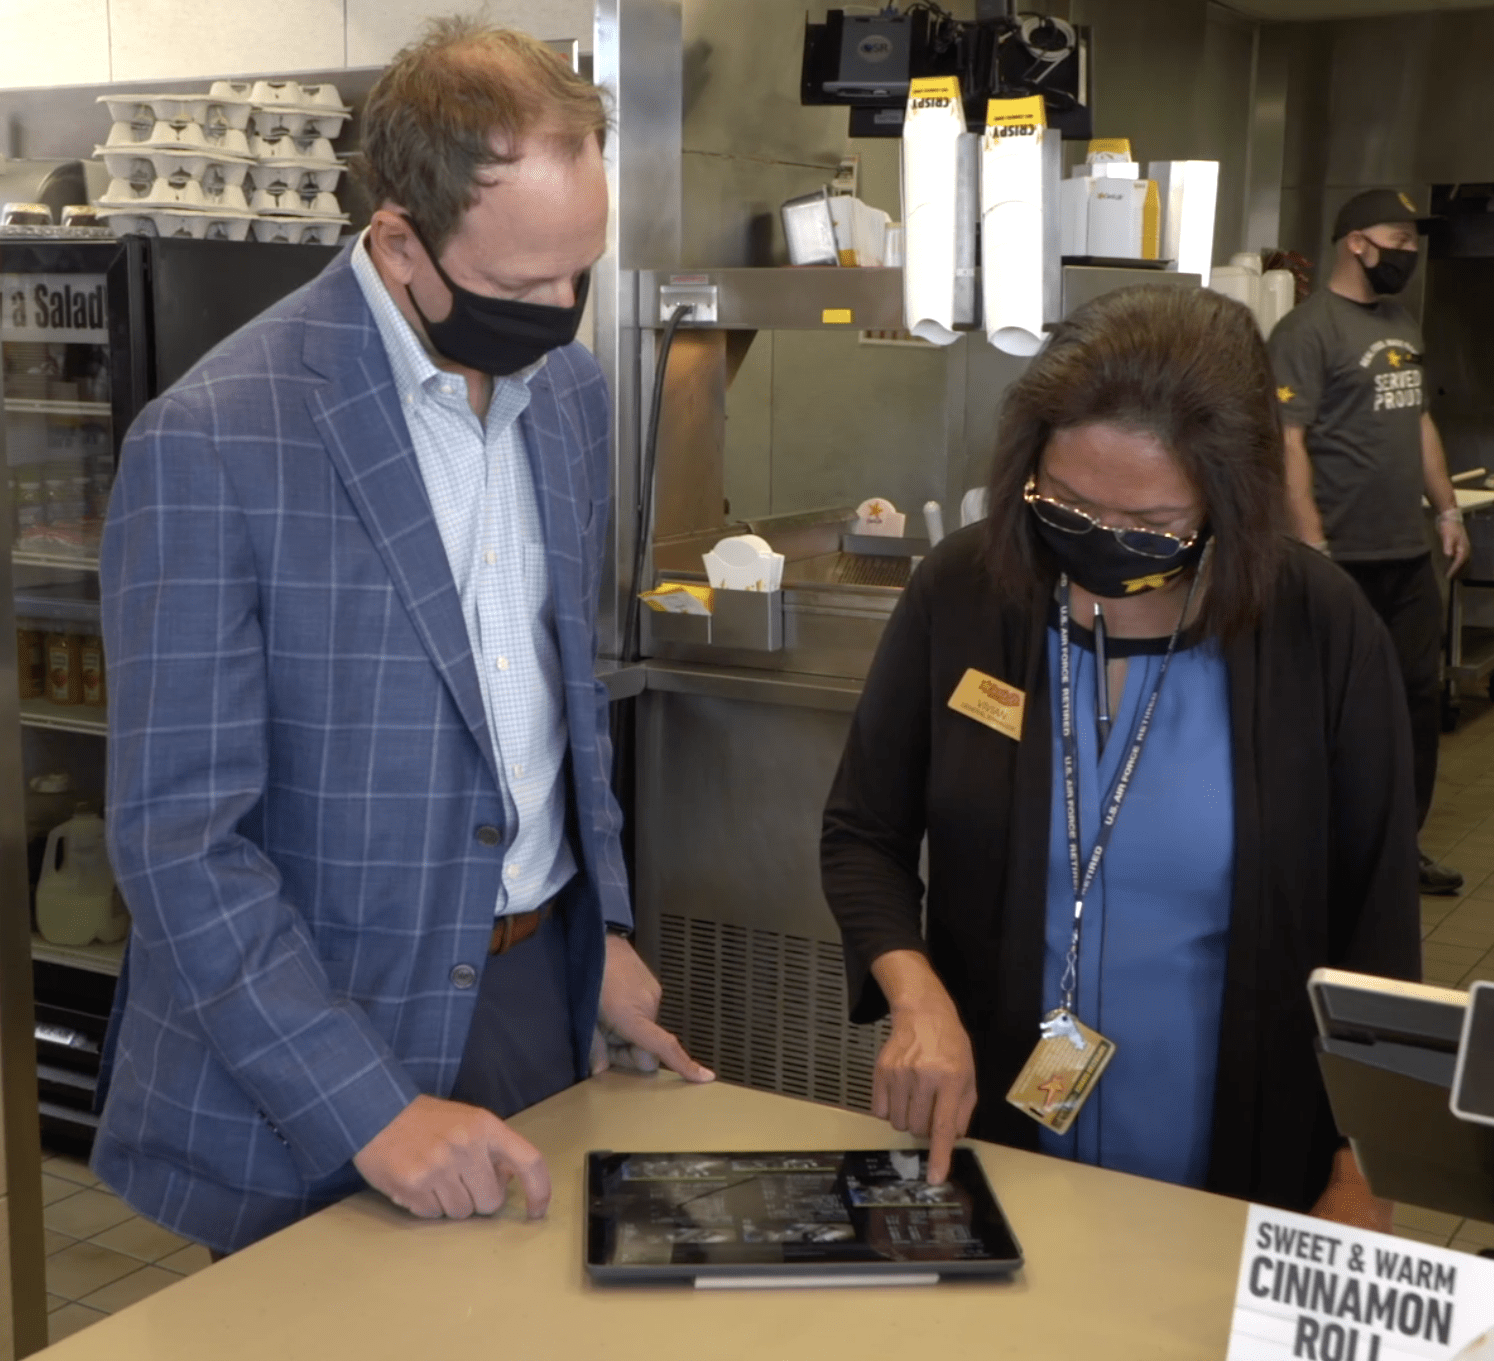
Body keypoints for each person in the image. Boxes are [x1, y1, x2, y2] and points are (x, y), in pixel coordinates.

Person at [95, 20, 711, 1255]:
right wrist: (367, 1109)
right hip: (316, 1033)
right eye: (520, 283)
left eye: (578, 274)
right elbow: (179, 841)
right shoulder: (216, 437)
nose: (560, 312)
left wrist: (599, 931)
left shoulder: (571, 400)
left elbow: (556, 699)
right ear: (397, 240)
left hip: (535, 990)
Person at [821, 285, 1421, 1227]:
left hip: (1240, 1162)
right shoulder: (967, 592)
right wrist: (916, 991)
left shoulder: (1322, 631)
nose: (1100, 543)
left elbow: (1377, 924)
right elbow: (864, 832)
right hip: (999, 1143)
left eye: (1151, 526)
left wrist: (1364, 1164)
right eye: (1065, 503)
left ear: (1232, 504)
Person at [1269, 188, 1470, 897]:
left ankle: (1399, 849)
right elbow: (1287, 444)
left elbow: (1416, 421)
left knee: (1415, 702)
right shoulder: (1307, 331)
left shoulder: (1402, 322)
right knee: (1331, 704)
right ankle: (1319, 850)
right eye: (1399, 238)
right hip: (1339, 558)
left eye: (1414, 241)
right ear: (1357, 241)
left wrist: (1446, 510)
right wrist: (1312, 545)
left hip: (1406, 555)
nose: (1409, 252)